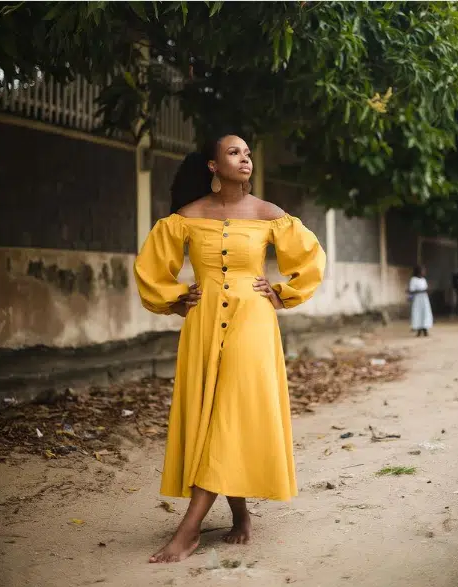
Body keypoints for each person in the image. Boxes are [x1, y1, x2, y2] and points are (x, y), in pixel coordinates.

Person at [134, 134, 326, 563]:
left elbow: (311, 259)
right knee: (215, 413)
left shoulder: (269, 214)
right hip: (203, 323)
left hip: (252, 322)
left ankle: (189, 529)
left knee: (230, 411)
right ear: (212, 166)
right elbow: (151, 266)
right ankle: (240, 515)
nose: (245, 159)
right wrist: (175, 297)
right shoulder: (186, 216)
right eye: (234, 153)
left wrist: (281, 292)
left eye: (248, 153)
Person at [408, 266, 433, 337]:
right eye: (423, 270)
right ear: (419, 271)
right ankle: (419, 330)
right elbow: (411, 290)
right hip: (417, 300)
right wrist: (422, 291)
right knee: (418, 313)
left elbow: (426, 288)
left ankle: (425, 329)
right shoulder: (413, 280)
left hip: (424, 299)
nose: (424, 272)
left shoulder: (423, 280)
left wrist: (427, 291)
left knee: (425, 313)